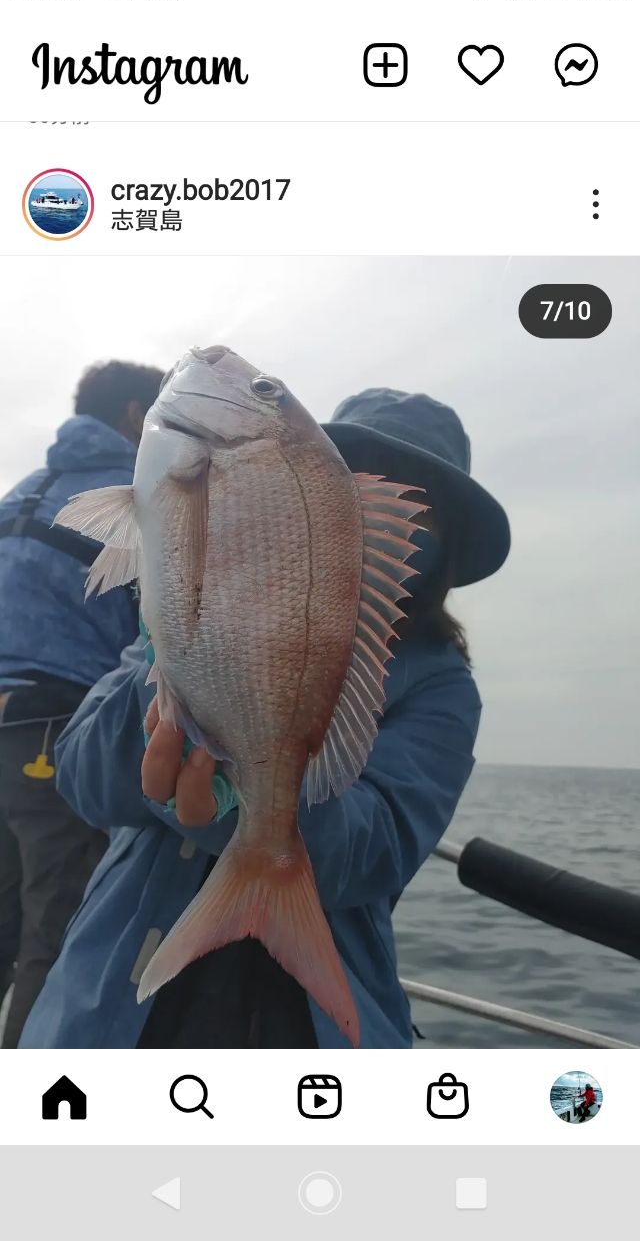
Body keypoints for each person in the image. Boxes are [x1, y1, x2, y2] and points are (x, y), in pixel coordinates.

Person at [20, 388, 510, 1049]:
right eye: (357, 476)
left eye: (418, 506)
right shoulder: (199, 595)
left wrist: (243, 803)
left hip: (309, 1026)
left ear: (446, 542)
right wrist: (175, 668)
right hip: (110, 1004)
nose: (387, 517)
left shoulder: (441, 685)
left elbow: (378, 847)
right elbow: (80, 773)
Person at [0, 359, 164, 1047]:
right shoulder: (134, 500)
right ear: (135, 417)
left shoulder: (22, 495)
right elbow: (162, 637)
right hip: (55, 737)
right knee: (60, 927)